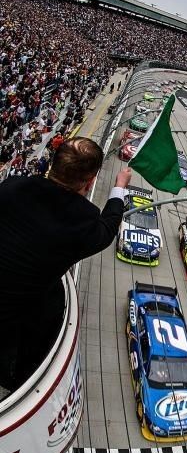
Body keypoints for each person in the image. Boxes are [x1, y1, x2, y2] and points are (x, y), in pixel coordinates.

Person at [0, 137, 132, 393]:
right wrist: (119, 187)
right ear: (90, 180)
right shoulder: (83, 222)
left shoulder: (12, 187)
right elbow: (108, 228)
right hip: (16, 328)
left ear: (53, 164)